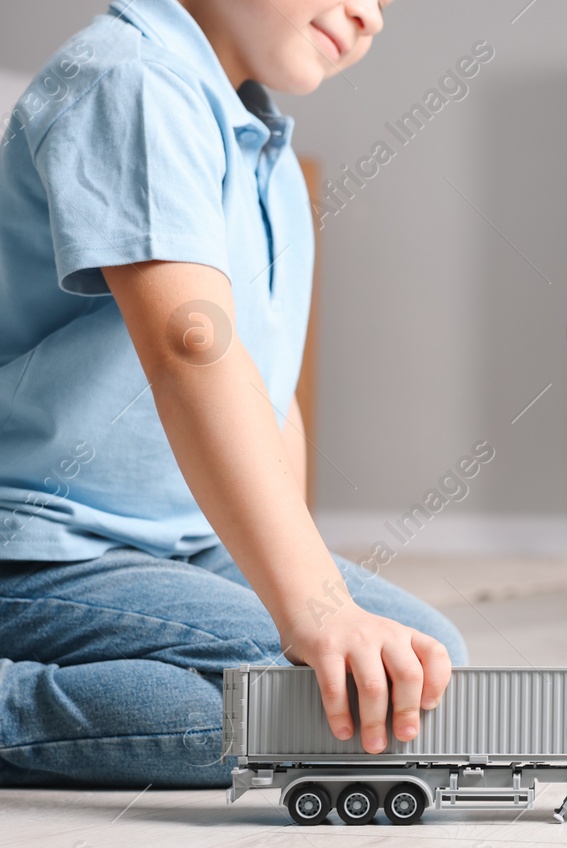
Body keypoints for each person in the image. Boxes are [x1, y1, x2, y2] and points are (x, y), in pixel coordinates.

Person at [0, 0, 465, 789]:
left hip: (179, 540)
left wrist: (314, 587)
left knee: (421, 659)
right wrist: (309, 612)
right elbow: (193, 350)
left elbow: (267, 394)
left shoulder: (267, 157)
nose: (369, 17)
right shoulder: (133, 79)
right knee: (285, 693)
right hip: (41, 545)